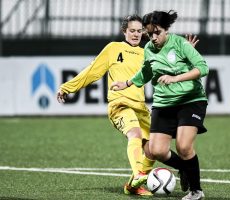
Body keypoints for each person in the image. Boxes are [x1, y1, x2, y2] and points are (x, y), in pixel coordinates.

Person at [56, 14, 199, 196]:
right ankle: (139, 174)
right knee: (135, 133)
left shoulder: (148, 52)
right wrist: (68, 87)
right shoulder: (113, 48)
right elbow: (91, 72)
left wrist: (186, 57)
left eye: (140, 31)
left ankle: (136, 184)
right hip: (120, 105)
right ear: (124, 31)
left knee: (153, 150)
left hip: (140, 107)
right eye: (132, 30)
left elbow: (171, 69)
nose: (136, 34)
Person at [111, 10, 209, 200]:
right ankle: (185, 169)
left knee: (183, 147)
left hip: (190, 100)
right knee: (156, 150)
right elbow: (146, 72)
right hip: (163, 104)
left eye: (158, 32)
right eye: (149, 33)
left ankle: (196, 191)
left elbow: (203, 68)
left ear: (166, 30)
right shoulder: (148, 48)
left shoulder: (180, 44)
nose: (153, 37)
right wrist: (127, 83)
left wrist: (176, 78)